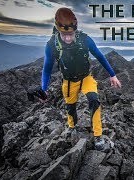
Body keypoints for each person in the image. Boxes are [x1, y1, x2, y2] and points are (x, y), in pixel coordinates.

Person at [41, 7, 121, 150]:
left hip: (86, 78)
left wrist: (112, 75)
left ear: (75, 29)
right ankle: (72, 126)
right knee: (70, 107)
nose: (67, 38)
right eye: (64, 34)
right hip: (69, 81)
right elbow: (47, 69)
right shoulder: (51, 45)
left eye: (70, 34)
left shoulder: (85, 40)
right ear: (57, 29)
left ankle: (98, 136)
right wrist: (44, 89)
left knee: (94, 99)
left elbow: (100, 56)